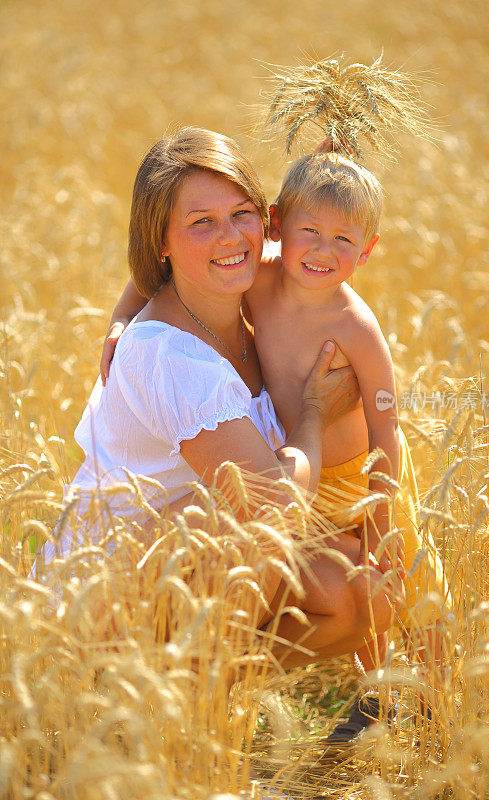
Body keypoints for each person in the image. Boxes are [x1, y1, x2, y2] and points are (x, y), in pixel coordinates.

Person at [103, 142, 449, 740]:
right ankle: (204, 694)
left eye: (344, 240)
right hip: (291, 474)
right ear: (279, 228)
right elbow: (151, 275)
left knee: (402, 582)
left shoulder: (354, 326)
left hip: (357, 477)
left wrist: (384, 513)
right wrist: (116, 320)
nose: (321, 251)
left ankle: (426, 701)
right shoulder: (258, 275)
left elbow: (387, 424)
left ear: (368, 250)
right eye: (308, 231)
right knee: (285, 560)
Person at [40, 126, 400, 673]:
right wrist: (312, 414)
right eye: (201, 222)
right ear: (160, 240)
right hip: (107, 589)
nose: (230, 238)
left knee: (361, 590)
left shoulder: (255, 292)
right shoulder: (171, 356)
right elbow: (273, 503)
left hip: (198, 566)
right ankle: (135, 686)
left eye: (241, 214)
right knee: (238, 516)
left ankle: (200, 693)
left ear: (267, 220)